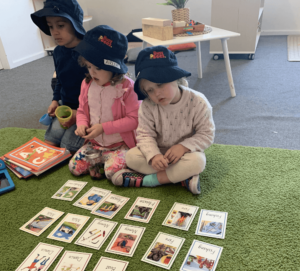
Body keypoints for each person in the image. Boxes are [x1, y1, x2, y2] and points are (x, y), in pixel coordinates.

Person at [112, 46, 215, 194]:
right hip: (159, 152)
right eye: (150, 90)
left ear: (175, 77)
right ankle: (182, 178)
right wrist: (153, 155)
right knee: (131, 157)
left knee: (198, 162)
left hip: (186, 154)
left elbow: (206, 134)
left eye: (160, 84)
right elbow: (144, 135)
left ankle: (149, 180)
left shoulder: (198, 101)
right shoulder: (148, 105)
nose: (157, 93)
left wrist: (184, 147)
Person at [68, 25, 140, 180]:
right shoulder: (86, 84)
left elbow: (134, 120)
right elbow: (81, 110)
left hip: (120, 144)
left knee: (112, 173)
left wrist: (103, 128)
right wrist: (81, 124)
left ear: (113, 68)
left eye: (98, 68)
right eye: (88, 66)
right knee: (74, 168)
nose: (92, 72)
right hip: (94, 145)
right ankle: (100, 161)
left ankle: (108, 162)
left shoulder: (127, 87)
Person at [31, 0, 87, 153]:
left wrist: (81, 113)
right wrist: (55, 99)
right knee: (50, 141)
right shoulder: (58, 52)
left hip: (87, 111)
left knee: (68, 148)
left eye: (60, 26)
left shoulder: (88, 53)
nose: (54, 32)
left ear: (74, 23)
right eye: (50, 26)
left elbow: (99, 89)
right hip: (66, 106)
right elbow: (59, 80)